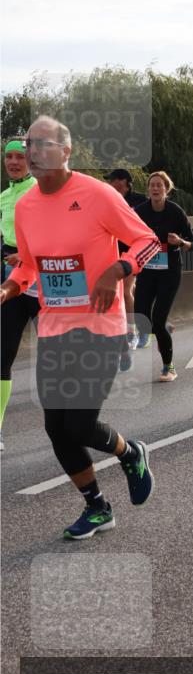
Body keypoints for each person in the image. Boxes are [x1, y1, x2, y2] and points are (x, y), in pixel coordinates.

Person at [0, 116, 161, 539]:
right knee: (56, 428)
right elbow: (32, 266)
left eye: (43, 144)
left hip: (100, 326)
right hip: (54, 328)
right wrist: (10, 287)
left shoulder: (98, 195)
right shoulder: (26, 206)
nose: (33, 152)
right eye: (29, 145)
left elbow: (147, 241)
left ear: (66, 152)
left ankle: (130, 453)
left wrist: (118, 268)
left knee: (79, 424)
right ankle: (97, 506)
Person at [133, 171, 193, 381]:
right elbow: (127, 234)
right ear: (148, 189)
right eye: (152, 185)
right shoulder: (140, 211)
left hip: (170, 272)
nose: (156, 188)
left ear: (166, 189)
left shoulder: (175, 212)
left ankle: (168, 367)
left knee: (157, 321)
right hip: (147, 271)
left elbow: (191, 244)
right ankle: (165, 327)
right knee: (141, 317)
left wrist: (179, 242)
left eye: (160, 185)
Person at [0, 139, 39, 450]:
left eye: (19, 157)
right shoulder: (3, 197)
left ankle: (77, 424)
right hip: (12, 276)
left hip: (43, 277)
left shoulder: (41, 191)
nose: (13, 162)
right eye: (8, 156)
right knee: (2, 355)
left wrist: (29, 256)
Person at [105, 168, 146, 358]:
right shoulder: (107, 199)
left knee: (126, 291)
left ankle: (131, 331)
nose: (110, 183)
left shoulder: (139, 200)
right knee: (127, 293)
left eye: (112, 180)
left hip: (132, 253)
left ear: (123, 182)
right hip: (110, 252)